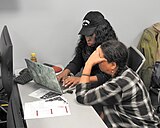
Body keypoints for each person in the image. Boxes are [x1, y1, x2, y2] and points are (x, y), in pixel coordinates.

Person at [76, 40, 160, 128]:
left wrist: (88, 64)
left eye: (99, 59)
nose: (96, 62)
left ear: (112, 65)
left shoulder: (119, 85)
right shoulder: (125, 71)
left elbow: (82, 97)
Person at [57, 11, 118, 88]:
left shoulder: (111, 48)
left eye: (91, 35)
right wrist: (66, 72)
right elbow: (78, 60)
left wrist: (81, 79)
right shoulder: (85, 42)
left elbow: (106, 76)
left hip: (102, 85)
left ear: (100, 33)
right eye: (85, 35)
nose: (87, 39)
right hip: (87, 77)